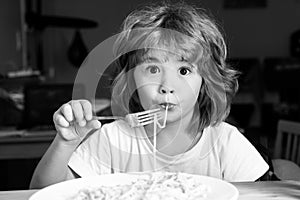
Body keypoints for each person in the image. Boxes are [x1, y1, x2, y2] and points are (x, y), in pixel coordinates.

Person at [30, 1, 269, 189]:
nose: (167, 86)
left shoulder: (224, 142)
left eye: (184, 70)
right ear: (131, 80)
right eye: (153, 69)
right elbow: (43, 192)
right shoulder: (112, 139)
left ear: (205, 82)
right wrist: (66, 143)